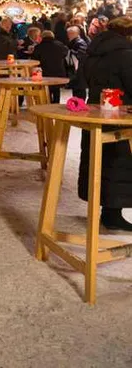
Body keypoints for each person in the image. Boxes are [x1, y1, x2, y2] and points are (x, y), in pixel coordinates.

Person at [77, 17, 132, 231]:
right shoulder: (126, 55)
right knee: (118, 162)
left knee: (99, 162)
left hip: (97, 111)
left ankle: (109, 212)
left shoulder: (93, 51)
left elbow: (86, 79)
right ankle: (111, 214)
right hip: (121, 116)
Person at [30, 30, 69, 103]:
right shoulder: (60, 45)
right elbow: (65, 53)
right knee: (56, 89)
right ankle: (56, 104)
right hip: (58, 72)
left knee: (47, 89)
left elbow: (35, 60)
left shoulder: (39, 47)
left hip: (45, 73)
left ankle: (48, 103)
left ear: (42, 37)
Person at [67, 26, 89, 99]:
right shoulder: (77, 42)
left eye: (68, 34)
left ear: (71, 34)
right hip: (78, 72)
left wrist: (70, 51)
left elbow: (81, 55)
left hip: (79, 71)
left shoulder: (80, 43)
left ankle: (79, 106)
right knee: (77, 91)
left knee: (79, 91)